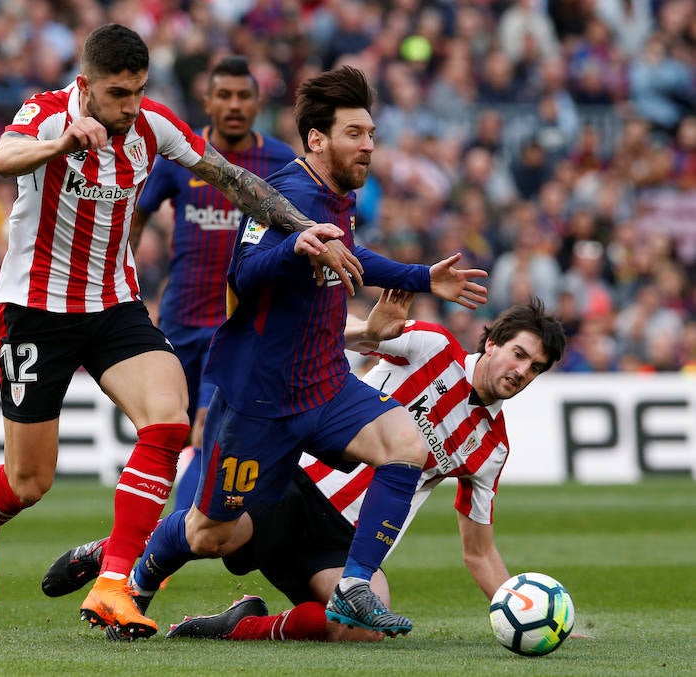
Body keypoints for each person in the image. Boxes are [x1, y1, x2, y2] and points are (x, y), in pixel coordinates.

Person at [0, 23, 365, 641]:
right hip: (34, 310)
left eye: (138, 92)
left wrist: (300, 226)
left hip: (115, 307)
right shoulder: (44, 113)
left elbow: (234, 180)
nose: (130, 107)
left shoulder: (152, 125)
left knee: (170, 420)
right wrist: (64, 141)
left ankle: (115, 584)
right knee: (29, 481)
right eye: (119, 94)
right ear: (87, 84)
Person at [85, 65, 488, 640]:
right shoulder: (287, 192)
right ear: (318, 139)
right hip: (259, 404)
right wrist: (295, 247)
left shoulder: (337, 197)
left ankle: (354, 585)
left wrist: (424, 277)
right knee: (210, 533)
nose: (369, 145)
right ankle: (140, 574)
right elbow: (243, 273)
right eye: (356, 133)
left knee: (408, 445)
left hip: (324, 386)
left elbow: (349, 253)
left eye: (371, 133)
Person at [43, 294, 567, 642]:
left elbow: (479, 551)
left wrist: (523, 610)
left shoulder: (491, 447)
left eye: (535, 368)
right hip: (301, 484)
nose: (521, 372)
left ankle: (234, 626)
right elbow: (332, 337)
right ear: (492, 342)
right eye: (518, 354)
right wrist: (368, 329)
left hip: (346, 540)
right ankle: (122, 558)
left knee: (361, 630)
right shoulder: (431, 346)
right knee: (211, 537)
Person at [130, 55, 296, 512]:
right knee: (165, 434)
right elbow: (137, 215)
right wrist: (124, 280)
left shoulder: (280, 161)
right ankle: (144, 536)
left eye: (244, 96)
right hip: (180, 320)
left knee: (208, 429)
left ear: (257, 102)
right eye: (224, 96)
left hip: (238, 326)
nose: (234, 105)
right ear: (207, 102)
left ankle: (164, 547)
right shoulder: (182, 155)